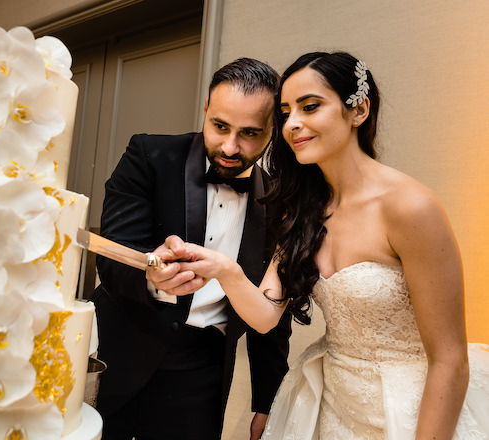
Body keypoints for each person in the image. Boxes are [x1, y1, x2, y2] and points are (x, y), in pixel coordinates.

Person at [153, 51, 489, 439]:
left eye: (310, 107)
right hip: (332, 406)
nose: (293, 124)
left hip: (410, 410)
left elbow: (450, 360)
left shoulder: (410, 207)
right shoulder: (302, 208)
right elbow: (265, 316)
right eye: (284, 113)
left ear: (358, 110)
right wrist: (223, 269)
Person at [91, 57, 292, 440]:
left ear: (273, 130)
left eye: (250, 133)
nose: (231, 146)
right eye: (220, 126)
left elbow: (273, 313)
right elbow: (111, 257)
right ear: (205, 109)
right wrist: (152, 278)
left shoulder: (282, 201)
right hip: (119, 352)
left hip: (201, 373)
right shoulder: (149, 156)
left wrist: (267, 402)